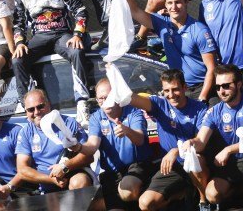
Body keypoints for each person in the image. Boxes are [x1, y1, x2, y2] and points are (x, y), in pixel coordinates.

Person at [11, 0, 91, 126]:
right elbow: (18, 24)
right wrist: (19, 43)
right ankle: (27, 106)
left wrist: (77, 34)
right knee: (18, 60)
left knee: (76, 50)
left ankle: (83, 103)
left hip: (62, 34)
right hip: (39, 37)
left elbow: (80, 11)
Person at [113, 0, 217, 102]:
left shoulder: (199, 30)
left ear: (186, 2)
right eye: (170, 3)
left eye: (178, 2)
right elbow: (135, 12)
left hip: (202, 88)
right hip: (179, 90)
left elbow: (212, 68)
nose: (174, 7)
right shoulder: (161, 23)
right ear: (165, 5)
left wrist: (203, 97)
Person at [184, 64, 243, 206]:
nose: (221, 91)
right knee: (212, 196)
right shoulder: (214, 111)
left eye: (226, 86)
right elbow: (201, 141)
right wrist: (191, 143)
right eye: (217, 87)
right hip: (230, 165)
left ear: (239, 84)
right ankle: (242, 189)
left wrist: (228, 149)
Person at [128, 69, 209, 211]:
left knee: (197, 158)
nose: (171, 95)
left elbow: (200, 143)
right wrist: (113, 74)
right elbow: (131, 99)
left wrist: (176, 151)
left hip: (194, 164)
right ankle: (179, 195)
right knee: (145, 203)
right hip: (171, 167)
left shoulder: (200, 108)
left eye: (175, 89)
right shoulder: (159, 104)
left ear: (185, 87)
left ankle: (204, 203)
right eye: (167, 91)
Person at [79, 78, 154, 211]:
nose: (104, 101)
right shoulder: (96, 117)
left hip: (137, 165)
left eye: (107, 97)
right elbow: (92, 145)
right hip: (111, 173)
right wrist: (77, 147)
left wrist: (127, 131)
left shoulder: (133, 112)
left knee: (127, 190)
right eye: (100, 98)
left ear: (116, 96)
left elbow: (139, 139)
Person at [15, 89, 93, 194]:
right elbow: (22, 170)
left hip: (72, 174)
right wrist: (51, 179)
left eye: (40, 106)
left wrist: (65, 167)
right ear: (26, 112)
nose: (36, 112)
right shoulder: (25, 133)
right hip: (46, 184)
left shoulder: (68, 123)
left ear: (49, 105)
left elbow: (88, 156)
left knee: (79, 181)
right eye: (31, 109)